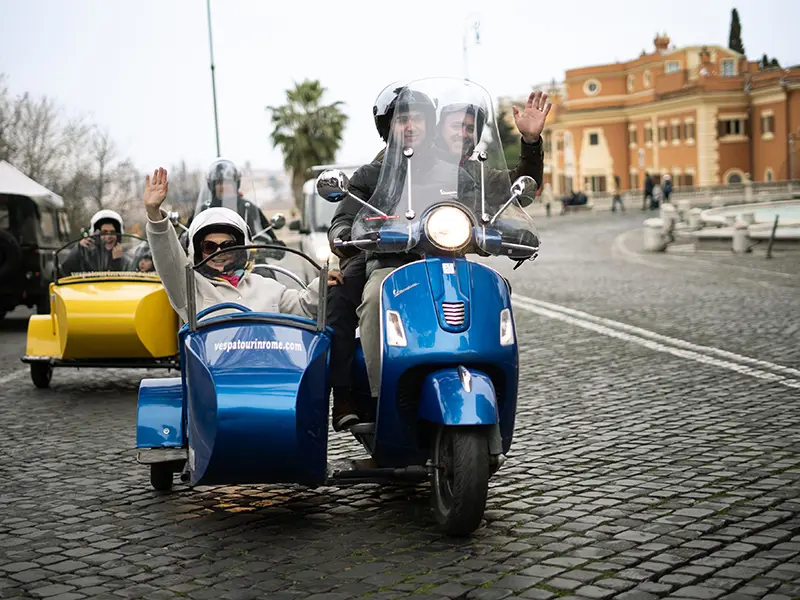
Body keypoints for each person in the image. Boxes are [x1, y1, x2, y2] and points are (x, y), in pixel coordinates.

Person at [353, 87, 550, 400]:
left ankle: (492, 374)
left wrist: (529, 142)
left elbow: (514, 188)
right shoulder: (380, 170)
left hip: (449, 261)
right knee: (377, 295)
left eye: (470, 127)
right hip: (394, 264)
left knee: (494, 288)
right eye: (456, 125)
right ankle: (382, 396)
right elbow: (353, 213)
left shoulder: (464, 173)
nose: (464, 132)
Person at [143, 168, 342, 324]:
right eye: (210, 247)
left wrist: (322, 284)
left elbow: (303, 306)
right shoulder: (189, 289)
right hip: (216, 373)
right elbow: (167, 259)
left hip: (267, 368)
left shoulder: (267, 286)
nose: (220, 252)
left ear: (240, 248)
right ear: (198, 251)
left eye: (228, 245)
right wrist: (154, 214)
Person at [61, 209, 131, 275]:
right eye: (104, 232)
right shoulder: (86, 255)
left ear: (118, 236)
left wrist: (117, 261)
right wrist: (78, 248)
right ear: (96, 235)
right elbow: (66, 270)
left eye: (113, 232)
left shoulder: (126, 261)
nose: (108, 236)